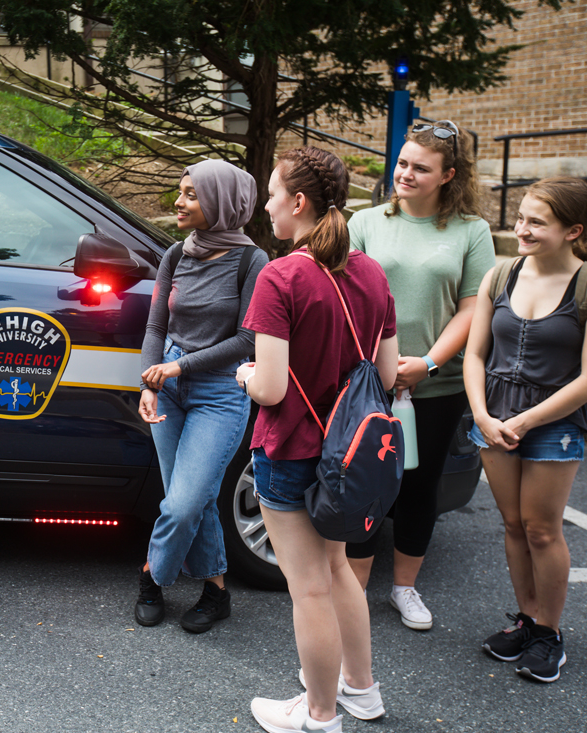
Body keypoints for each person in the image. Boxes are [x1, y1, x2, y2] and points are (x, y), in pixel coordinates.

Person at [237, 147, 397, 733]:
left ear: (298, 202)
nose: (267, 204)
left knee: (308, 589)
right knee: (338, 570)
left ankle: (320, 713)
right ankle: (362, 692)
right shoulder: (373, 273)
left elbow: (272, 389)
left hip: (291, 450)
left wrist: (246, 375)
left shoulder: (280, 277)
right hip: (350, 455)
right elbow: (384, 376)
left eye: (273, 193)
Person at [345, 120, 495, 630]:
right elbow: (344, 297)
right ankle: (355, 590)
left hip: (437, 384)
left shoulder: (471, 232)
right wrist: (386, 366)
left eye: (420, 168)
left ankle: (404, 589)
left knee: (418, 485)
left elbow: (474, 307)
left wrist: (427, 363)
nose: (405, 174)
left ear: (448, 175)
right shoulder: (364, 222)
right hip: (366, 380)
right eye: (402, 162)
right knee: (363, 481)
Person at [134, 159, 267, 633]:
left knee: (185, 502)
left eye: (191, 194)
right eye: (180, 191)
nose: (178, 201)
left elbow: (250, 339)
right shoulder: (176, 254)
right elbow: (156, 325)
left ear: (221, 202)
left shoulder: (253, 262)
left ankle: (153, 575)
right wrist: (150, 384)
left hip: (220, 390)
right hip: (168, 386)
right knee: (196, 497)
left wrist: (179, 366)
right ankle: (216, 592)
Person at [463, 177, 587, 683]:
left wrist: (522, 421)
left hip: (553, 426)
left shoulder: (584, 284)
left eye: (537, 222)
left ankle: (549, 635)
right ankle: (528, 619)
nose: (521, 229)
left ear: (573, 230)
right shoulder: (500, 275)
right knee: (513, 525)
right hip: (492, 419)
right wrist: (481, 416)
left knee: (541, 528)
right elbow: (475, 354)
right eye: (520, 218)